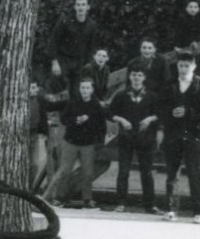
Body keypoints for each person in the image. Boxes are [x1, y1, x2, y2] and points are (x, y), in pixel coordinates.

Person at [160, 49, 200, 222]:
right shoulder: (169, 84)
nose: (183, 69)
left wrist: (189, 112)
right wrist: (171, 113)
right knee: (172, 173)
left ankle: (198, 212)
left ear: (194, 66)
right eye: (180, 65)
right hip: (173, 134)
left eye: (187, 66)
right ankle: (171, 209)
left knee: (194, 172)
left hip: (193, 134)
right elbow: (159, 107)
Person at [108, 68, 160, 213]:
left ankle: (149, 205)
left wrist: (150, 118)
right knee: (123, 171)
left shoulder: (152, 96)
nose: (136, 78)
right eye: (133, 75)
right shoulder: (122, 95)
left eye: (139, 75)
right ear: (129, 77)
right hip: (126, 138)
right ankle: (120, 203)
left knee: (147, 172)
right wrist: (121, 119)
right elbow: (110, 112)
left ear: (144, 78)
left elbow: (161, 113)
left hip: (146, 139)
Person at [51, 75, 107, 210]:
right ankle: (59, 198)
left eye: (88, 88)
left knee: (88, 173)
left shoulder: (96, 105)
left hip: (88, 143)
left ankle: (87, 199)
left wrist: (89, 122)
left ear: (92, 90)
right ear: (79, 89)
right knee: (65, 170)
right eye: (83, 88)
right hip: (71, 141)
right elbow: (64, 119)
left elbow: (101, 125)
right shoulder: (73, 102)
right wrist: (76, 120)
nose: (85, 90)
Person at [51, 0, 99, 79]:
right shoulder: (64, 21)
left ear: (88, 7)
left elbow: (91, 46)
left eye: (83, 5)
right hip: (64, 61)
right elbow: (54, 42)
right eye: (78, 5)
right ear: (75, 7)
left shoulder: (91, 25)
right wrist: (55, 63)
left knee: (77, 90)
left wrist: (89, 64)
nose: (81, 8)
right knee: (61, 90)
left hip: (80, 63)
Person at [27, 77, 54, 194]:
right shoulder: (20, 100)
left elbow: (51, 106)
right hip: (21, 134)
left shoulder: (38, 99)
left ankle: (28, 189)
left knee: (34, 164)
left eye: (36, 87)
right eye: (33, 88)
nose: (36, 90)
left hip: (33, 134)